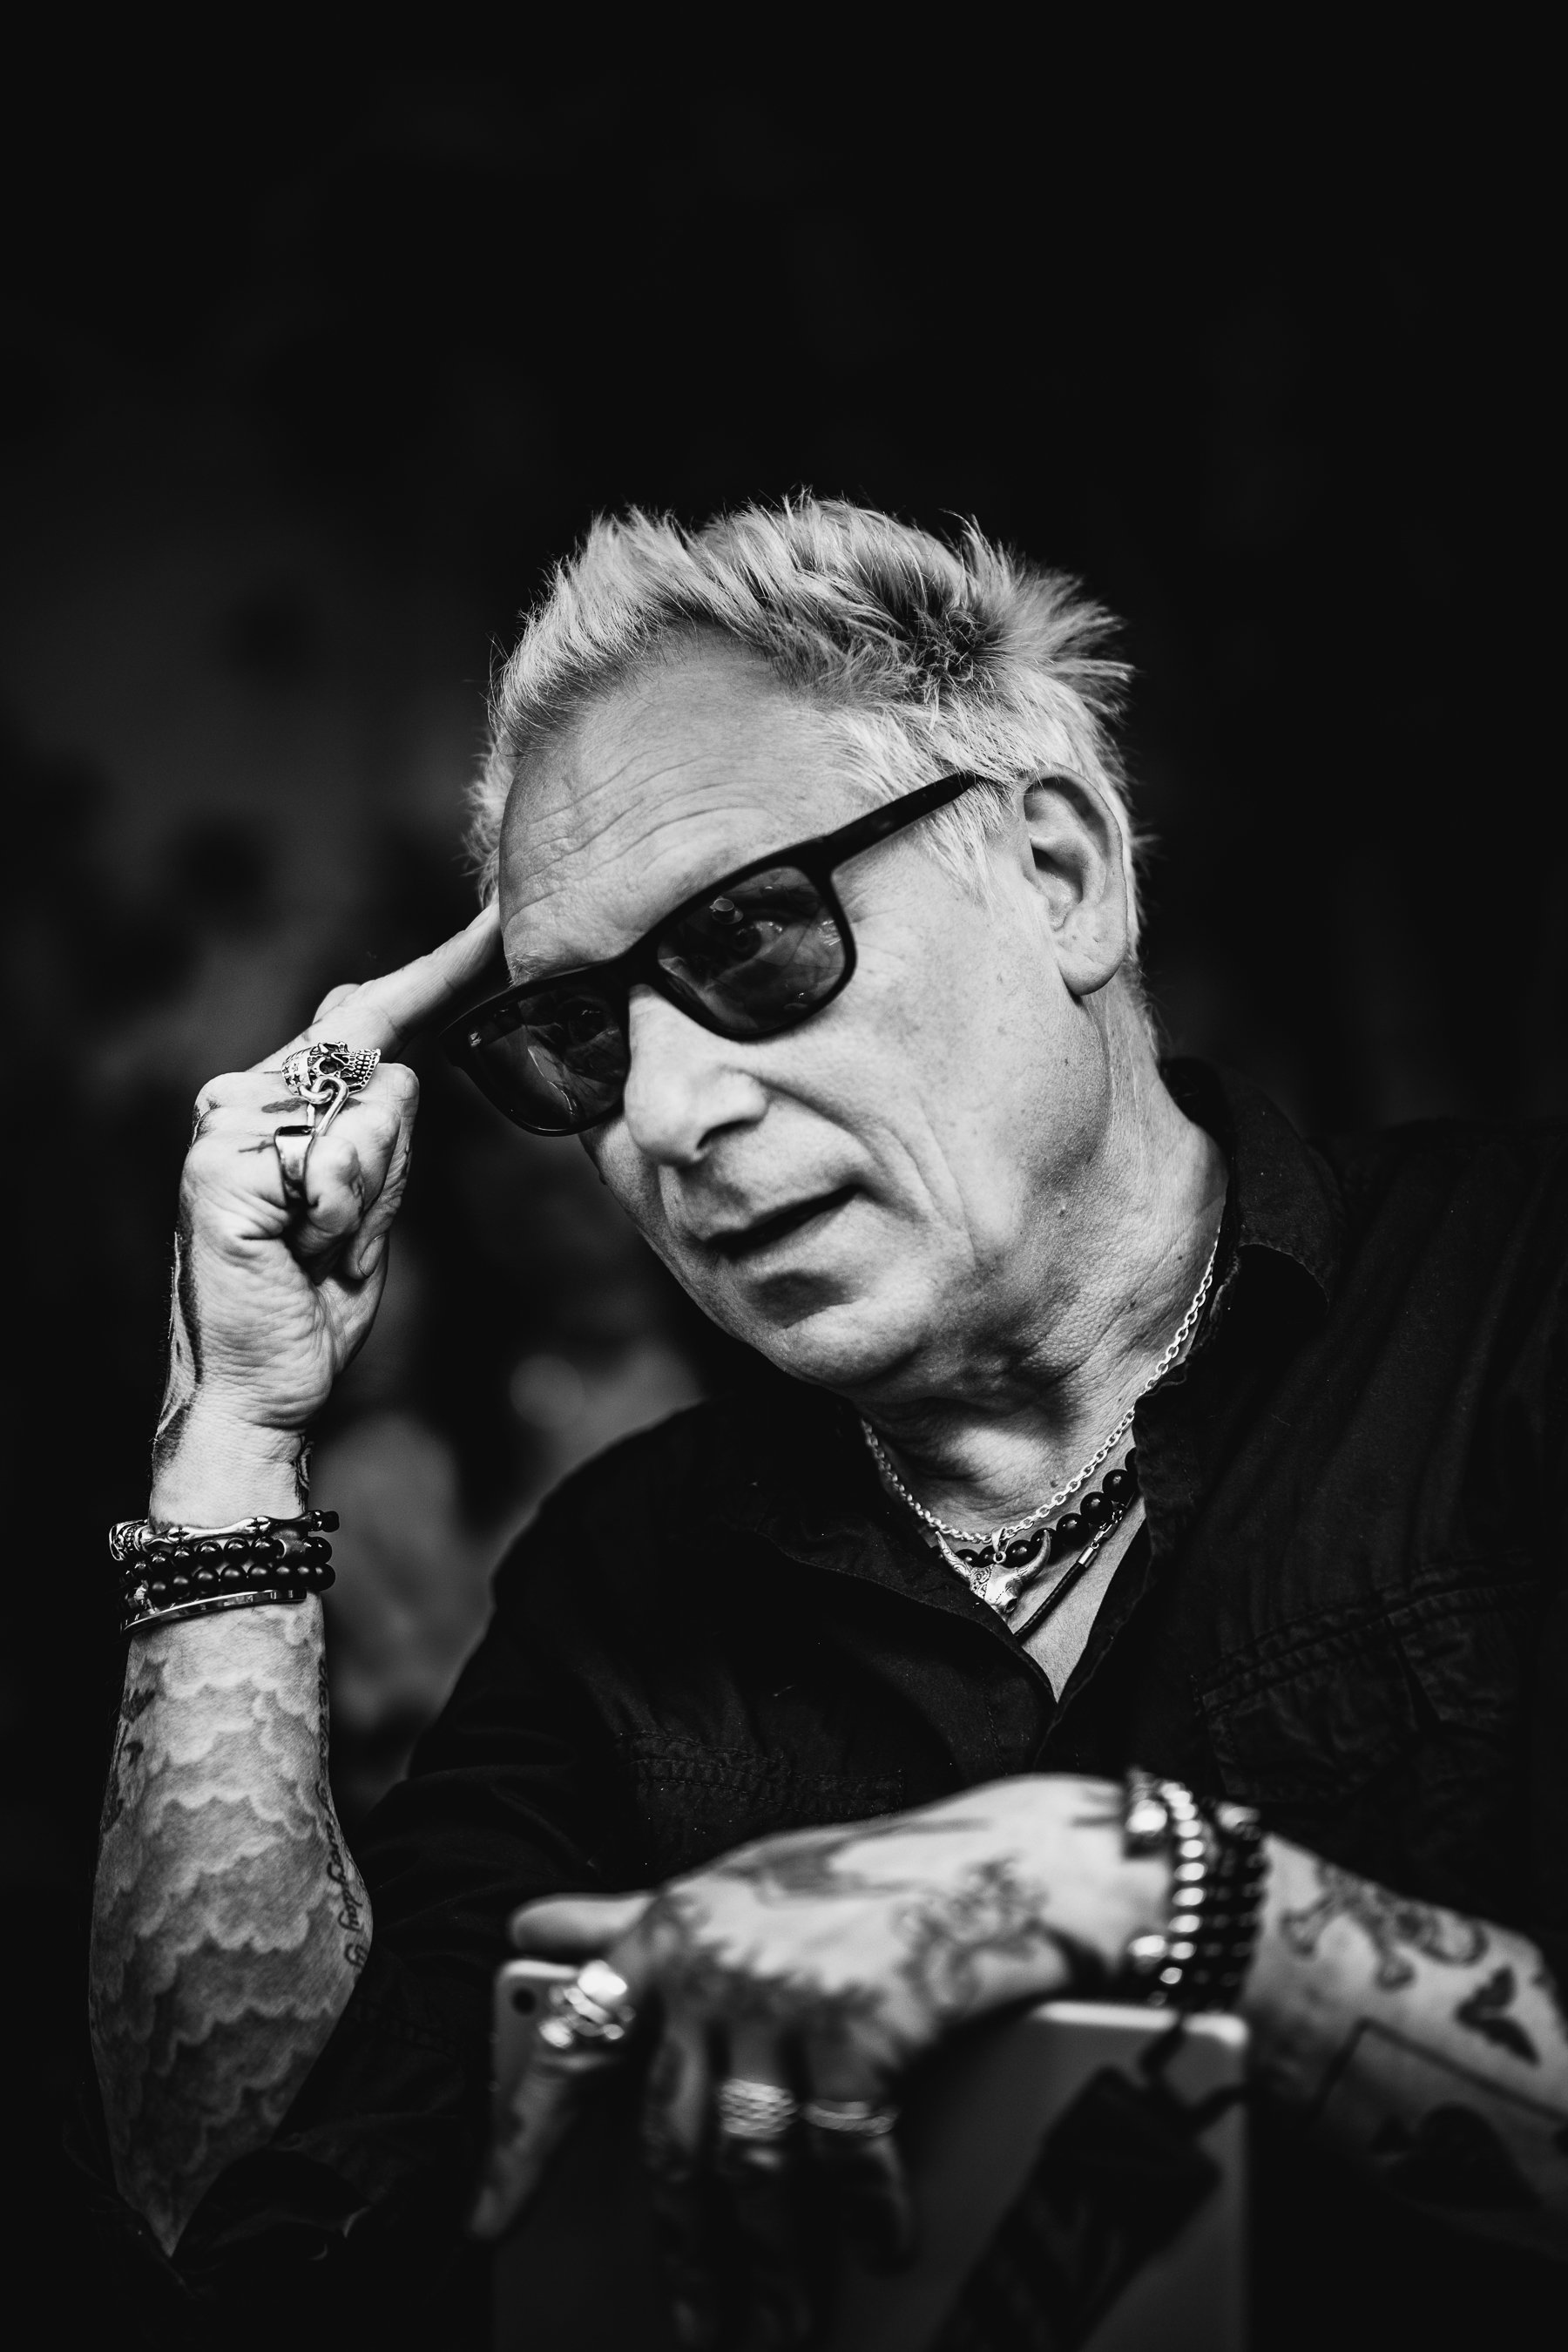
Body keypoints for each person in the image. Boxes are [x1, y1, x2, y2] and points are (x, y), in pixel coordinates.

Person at [86, 500, 1568, 2349]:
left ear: (1059, 868)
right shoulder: (627, 1580)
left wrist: (1142, 1888)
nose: (673, 1116)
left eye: (756, 939)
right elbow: (255, 2209)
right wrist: (231, 1419)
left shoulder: (1521, 1309)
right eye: (582, 1039)